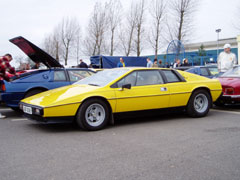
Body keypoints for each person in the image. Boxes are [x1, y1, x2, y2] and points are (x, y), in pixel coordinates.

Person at [0, 54, 17, 118]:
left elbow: (3, 74)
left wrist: (8, 79)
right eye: (10, 60)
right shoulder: (3, 58)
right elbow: (9, 68)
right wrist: (15, 73)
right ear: (9, 57)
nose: (9, 62)